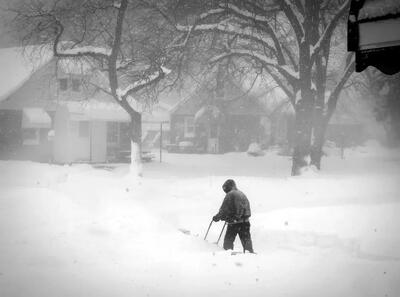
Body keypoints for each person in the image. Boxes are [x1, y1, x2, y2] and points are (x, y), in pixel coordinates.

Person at [213, 179, 254, 253]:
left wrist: (217, 217)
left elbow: (224, 210)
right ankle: (250, 257)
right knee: (246, 242)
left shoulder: (230, 194)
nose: (225, 191)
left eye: (225, 188)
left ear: (228, 187)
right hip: (245, 222)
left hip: (234, 223)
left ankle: (229, 259)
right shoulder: (242, 193)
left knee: (228, 243)